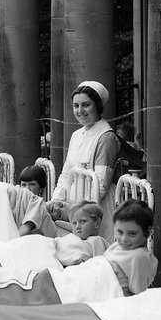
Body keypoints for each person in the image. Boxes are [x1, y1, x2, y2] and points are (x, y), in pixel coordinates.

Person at [48, 80, 121, 228]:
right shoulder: (76, 135)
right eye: (76, 106)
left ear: (98, 106)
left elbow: (100, 184)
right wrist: (56, 200)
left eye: (86, 105)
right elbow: (66, 174)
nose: (80, 110)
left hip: (96, 209)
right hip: (73, 209)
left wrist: (77, 213)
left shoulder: (106, 137)